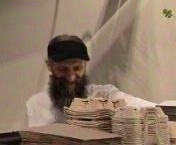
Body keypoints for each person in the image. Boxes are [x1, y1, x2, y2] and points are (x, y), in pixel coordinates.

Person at [25, 35, 153, 128]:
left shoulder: (105, 95)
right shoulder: (35, 105)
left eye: (77, 68)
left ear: (85, 66)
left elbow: (144, 107)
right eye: (63, 69)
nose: (71, 77)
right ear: (49, 66)